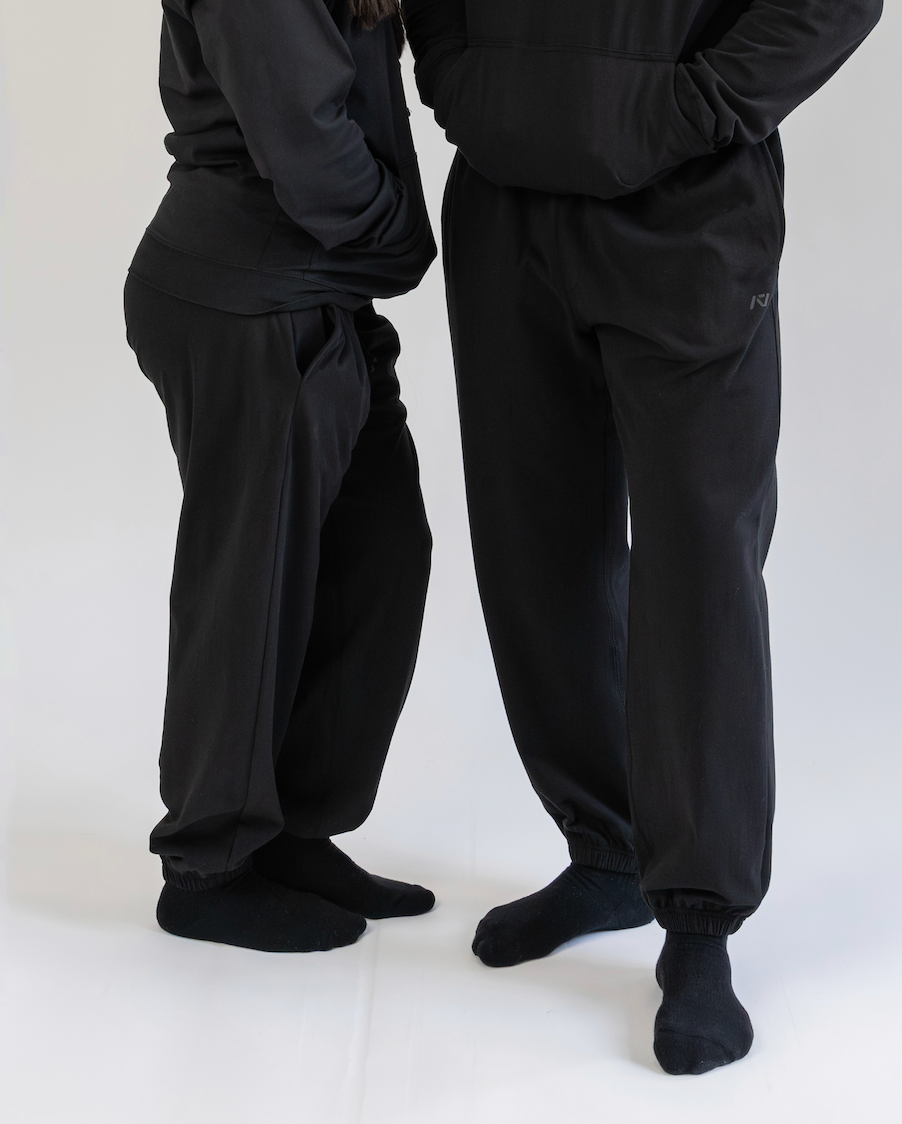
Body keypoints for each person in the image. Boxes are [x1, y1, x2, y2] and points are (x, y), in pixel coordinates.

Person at [402, 0, 882, 1073]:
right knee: (534, 545)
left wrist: (688, 107)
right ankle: (604, 846)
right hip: (507, 204)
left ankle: (698, 925)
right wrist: (467, 92)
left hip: (687, 211)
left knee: (698, 564)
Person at [124, 0, 437, 954]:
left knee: (380, 560)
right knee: (251, 589)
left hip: (317, 285)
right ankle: (209, 865)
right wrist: (404, 243)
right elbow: (302, 135)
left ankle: (293, 828)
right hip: (248, 290)